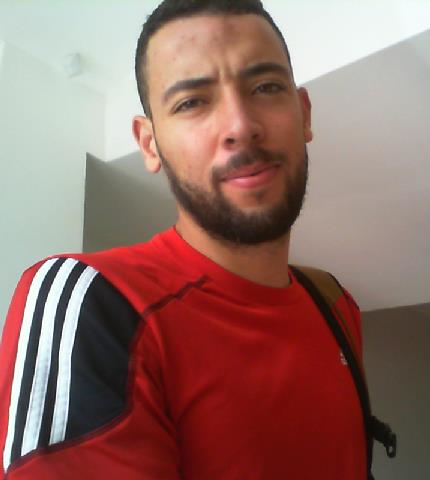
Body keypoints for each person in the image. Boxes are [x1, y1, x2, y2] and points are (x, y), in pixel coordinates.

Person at [0, 1, 371, 478]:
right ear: (149, 143)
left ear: (303, 114)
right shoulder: (92, 301)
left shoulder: (335, 303)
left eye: (265, 87)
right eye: (191, 102)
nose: (240, 126)